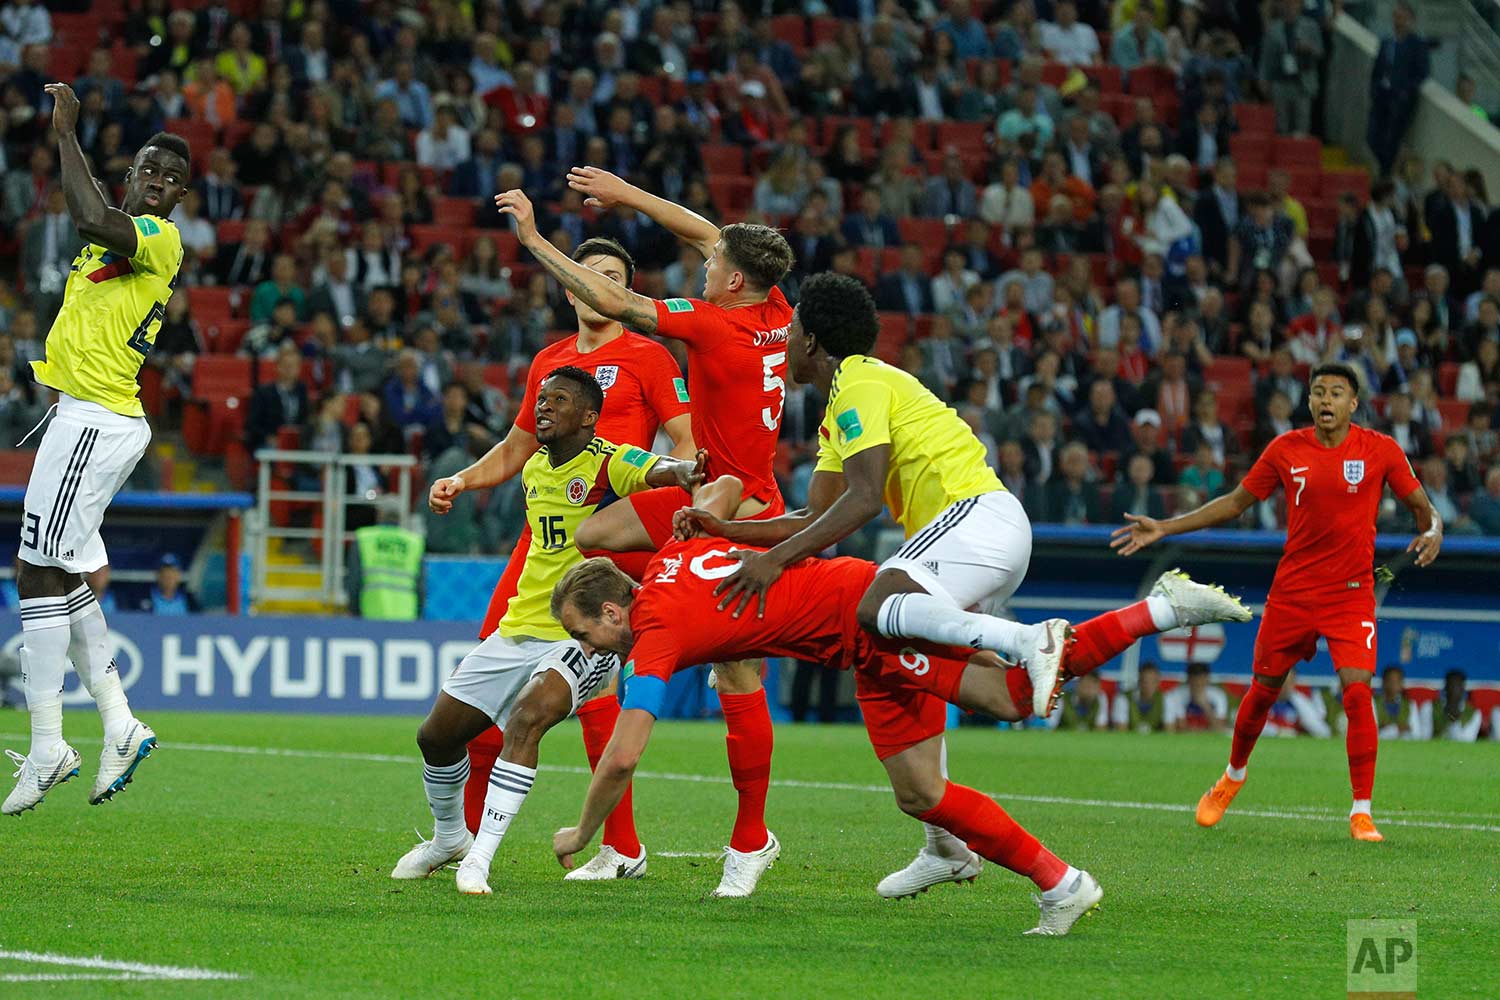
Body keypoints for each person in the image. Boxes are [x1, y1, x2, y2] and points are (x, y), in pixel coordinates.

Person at [677, 273, 1248, 890]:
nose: (783, 339)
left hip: (973, 520)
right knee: (964, 696)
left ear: (811, 339)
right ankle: (947, 843)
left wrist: (774, 560)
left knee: (878, 603)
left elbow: (865, 499)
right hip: (968, 543)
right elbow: (816, 517)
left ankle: (1029, 640)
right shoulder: (840, 408)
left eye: (791, 330)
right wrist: (723, 529)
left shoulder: (860, 382)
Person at [550, 543, 1248, 923]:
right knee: (920, 791)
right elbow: (735, 513)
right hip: (858, 628)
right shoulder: (674, 552)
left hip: (869, 622)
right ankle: (1040, 877)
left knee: (1007, 695)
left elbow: (624, 755)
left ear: (614, 612)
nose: (590, 649)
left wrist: (580, 832)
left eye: (584, 633)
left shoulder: (655, 635)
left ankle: (1159, 610)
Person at [495, 170, 795, 891]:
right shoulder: (773, 305)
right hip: (703, 485)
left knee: (738, 669)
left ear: (729, 282)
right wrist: (625, 194)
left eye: (711, 267)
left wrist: (534, 238)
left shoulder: (713, 325)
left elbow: (612, 300)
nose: (704, 262)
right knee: (595, 537)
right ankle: (647, 616)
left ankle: (751, 840)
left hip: (741, 505)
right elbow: (706, 231)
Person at [391, 367, 720, 895]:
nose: (543, 407)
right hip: (520, 623)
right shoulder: (535, 470)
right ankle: (449, 838)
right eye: (541, 399)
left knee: (527, 720)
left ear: (588, 416)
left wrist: (687, 470)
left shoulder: (609, 460)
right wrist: (461, 482)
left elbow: (658, 467)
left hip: (580, 633)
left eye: (558, 400)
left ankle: (480, 857)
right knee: (436, 736)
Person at [429, 236, 694, 851]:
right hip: (543, 540)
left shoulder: (650, 356)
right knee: (488, 683)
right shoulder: (550, 361)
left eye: (611, 276)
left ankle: (619, 849)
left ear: (625, 293)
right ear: (568, 284)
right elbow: (517, 447)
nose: (596, 283)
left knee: (600, 689)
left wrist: (651, 516)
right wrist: (462, 480)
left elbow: (684, 445)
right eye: (586, 273)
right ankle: (462, 837)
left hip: (611, 540)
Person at [1113, 362, 1443, 841]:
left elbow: (1423, 507)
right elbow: (1233, 503)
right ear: (1309, 402)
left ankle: (1362, 811)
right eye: (1317, 393)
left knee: (1356, 693)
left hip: (1350, 596)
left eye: (1335, 393)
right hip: (1293, 594)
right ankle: (1232, 776)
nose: (1325, 400)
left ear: (1354, 404)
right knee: (1263, 692)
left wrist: (1433, 530)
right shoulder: (1287, 449)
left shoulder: (1380, 450)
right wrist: (1165, 527)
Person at [4, 85, 188, 816]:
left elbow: (86, 211)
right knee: (60, 571)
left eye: (173, 181)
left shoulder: (157, 239)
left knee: (34, 567)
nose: (160, 184)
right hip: (85, 418)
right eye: (150, 170)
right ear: (134, 172)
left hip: (96, 421)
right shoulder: (111, 235)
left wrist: (64, 132)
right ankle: (117, 722)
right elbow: (91, 218)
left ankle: (50, 745)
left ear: (180, 199)